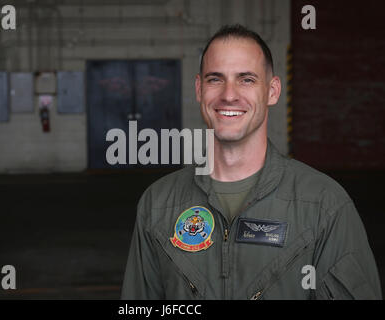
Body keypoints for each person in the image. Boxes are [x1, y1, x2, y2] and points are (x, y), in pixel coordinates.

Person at [121, 24, 382, 299]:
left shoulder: (325, 205)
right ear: (199, 89)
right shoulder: (158, 202)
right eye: (215, 79)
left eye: (246, 79)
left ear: (272, 91)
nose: (229, 94)